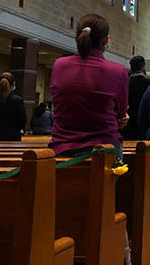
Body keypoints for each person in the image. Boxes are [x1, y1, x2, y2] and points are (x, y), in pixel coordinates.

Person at [49, 14, 130, 158]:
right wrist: (120, 118)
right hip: (105, 150)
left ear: (77, 38)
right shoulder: (118, 71)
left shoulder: (59, 65)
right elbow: (120, 113)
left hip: (62, 148)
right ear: (106, 40)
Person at [123, 55, 150, 141]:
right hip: (144, 126)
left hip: (128, 125)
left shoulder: (125, 84)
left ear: (131, 69)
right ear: (144, 69)